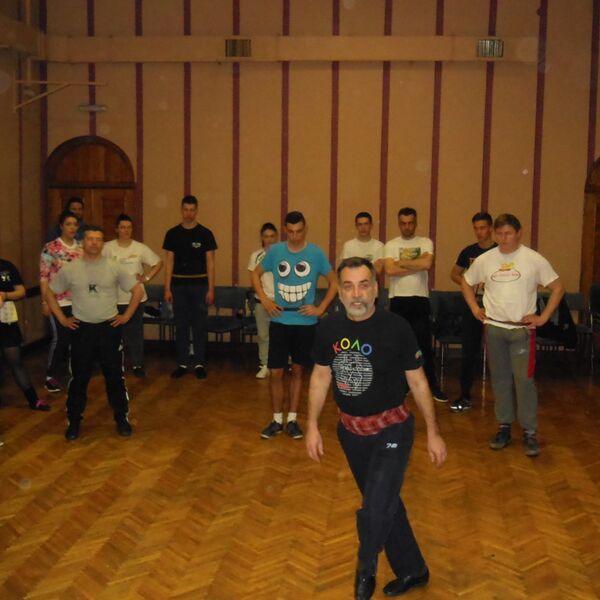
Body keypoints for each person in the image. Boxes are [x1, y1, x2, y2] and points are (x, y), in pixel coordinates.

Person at [306, 257, 446, 600]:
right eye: (349, 286)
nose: (357, 294)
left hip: (392, 428)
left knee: (375, 506)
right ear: (339, 292)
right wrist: (311, 425)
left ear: (375, 289)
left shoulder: (396, 328)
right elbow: (320, 377)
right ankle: (413, 569)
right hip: (350, 432)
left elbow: (418, 381)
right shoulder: (328, 329)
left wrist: (433, 432)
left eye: (364, 285)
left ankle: (365, 568)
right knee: (384, 502)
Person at [461, 213, 565, 457]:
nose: (503, 238)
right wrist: (475, 308)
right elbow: (466, 282)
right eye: (499, 234)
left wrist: (543, 317)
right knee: (500, 380)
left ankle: (529, 432)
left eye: (508, 233)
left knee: (524, 381)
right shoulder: (486, 260)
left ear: (519, 233)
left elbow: (558, 287)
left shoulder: (533, 259)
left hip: (522, 331)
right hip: (495, 328)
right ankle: (504, 427)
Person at [45, 226, 144, 441]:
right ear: (83, 242)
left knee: (115, 377)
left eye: (99, 239)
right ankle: (74, 421)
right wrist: (62, 319)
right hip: (82, 330)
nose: (94, 243)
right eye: (90, 239)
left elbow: (137, 290)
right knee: (79, 378)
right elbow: (50, 292)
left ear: (102, 243)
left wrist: (126, 316)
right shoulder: (71, 269)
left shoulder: (114, 266)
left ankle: (121, 418)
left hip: (109, 329)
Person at [252, 211, 337, 440]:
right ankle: (276, 419)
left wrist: (320, 308)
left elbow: (334, 282)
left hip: (305, 322)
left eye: (299, 231)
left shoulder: (315, 253)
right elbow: (255, 275)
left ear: (305, 229)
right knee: (276, 372)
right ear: (285, 230)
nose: (295, 236)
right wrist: (265, 300)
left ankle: (292, 419)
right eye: (290, 232)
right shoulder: (276, 251)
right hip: (280, 320)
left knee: (298, 371)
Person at [383, 207, 447, 402]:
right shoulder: (391, 244)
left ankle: (431, 385)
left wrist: (401, 263)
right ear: (399, 223)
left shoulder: (425, 242)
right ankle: (401, 385)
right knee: (398, 345)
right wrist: (415, 265)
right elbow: (389, 270)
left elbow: (427, 264)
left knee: (424, 346)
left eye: (411, 223)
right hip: (398, 300)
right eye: (403, 223)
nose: (407, 226)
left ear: (415, 223)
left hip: (420, 300)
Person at [163, 195, 217, 379]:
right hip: (178, 286)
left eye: (192, 210)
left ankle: (200, 363)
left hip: (200, 286)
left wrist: (211, 289)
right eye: (186, 210)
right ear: (181, 210)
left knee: (199, 325)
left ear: (196, 211)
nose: (189, 213)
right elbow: (169, 262)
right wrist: (167, 288)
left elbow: (210, 263)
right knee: (181, 325)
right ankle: (182, 363)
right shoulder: (172, 234)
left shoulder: (205, 234)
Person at [102, 214, 162, 377]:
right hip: (114, 299)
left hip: (136, 298)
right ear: (117, 229)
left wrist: (146, 278)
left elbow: (158, 262)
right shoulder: (107, 247)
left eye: (129, 227)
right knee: (114, 335)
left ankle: (137, 364)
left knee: (135, 333)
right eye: (122, 227)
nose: (126, 230)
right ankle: (115, 364)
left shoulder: (140, 248)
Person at [449, 212, 496, 412]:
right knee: (469, 352)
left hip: (495, 308)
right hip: (472, 307)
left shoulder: (498, 251)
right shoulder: (468, 251)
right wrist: (468, 283)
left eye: (483, 228)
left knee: (497, 352)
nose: (479, 232)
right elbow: (454, 274)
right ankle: (465, 395)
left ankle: (503, 396)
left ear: (490, 228)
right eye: (476, 228)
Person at [40, 209, 83, 393]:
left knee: (78, 339)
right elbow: (44, 277)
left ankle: (77, 372)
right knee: (61, 339)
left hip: (78, 302)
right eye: (68, 224)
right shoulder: (51, 248)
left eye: (75, 224)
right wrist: (45, 302)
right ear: (61, 226)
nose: (72, 228)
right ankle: (50, 375)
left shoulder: (81, 248)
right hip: (57, 301)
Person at [1, 258, 50, 411]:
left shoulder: (6, 266)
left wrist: (5, 295)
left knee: (15, 361)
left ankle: (33, 400)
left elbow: (21, 291)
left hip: (6, 321)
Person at [247, 222, 278, 379]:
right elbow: (254, 280)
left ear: (276, 237)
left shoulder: (283, 254)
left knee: (280, 335)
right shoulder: (256, 256)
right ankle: (264, 365)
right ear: (262, 238)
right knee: (263, 335)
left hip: (279, 303)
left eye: (272, 236)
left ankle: (280, 364)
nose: (269, 239)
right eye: (266, 236)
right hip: (261, 301)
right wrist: (264, 298)